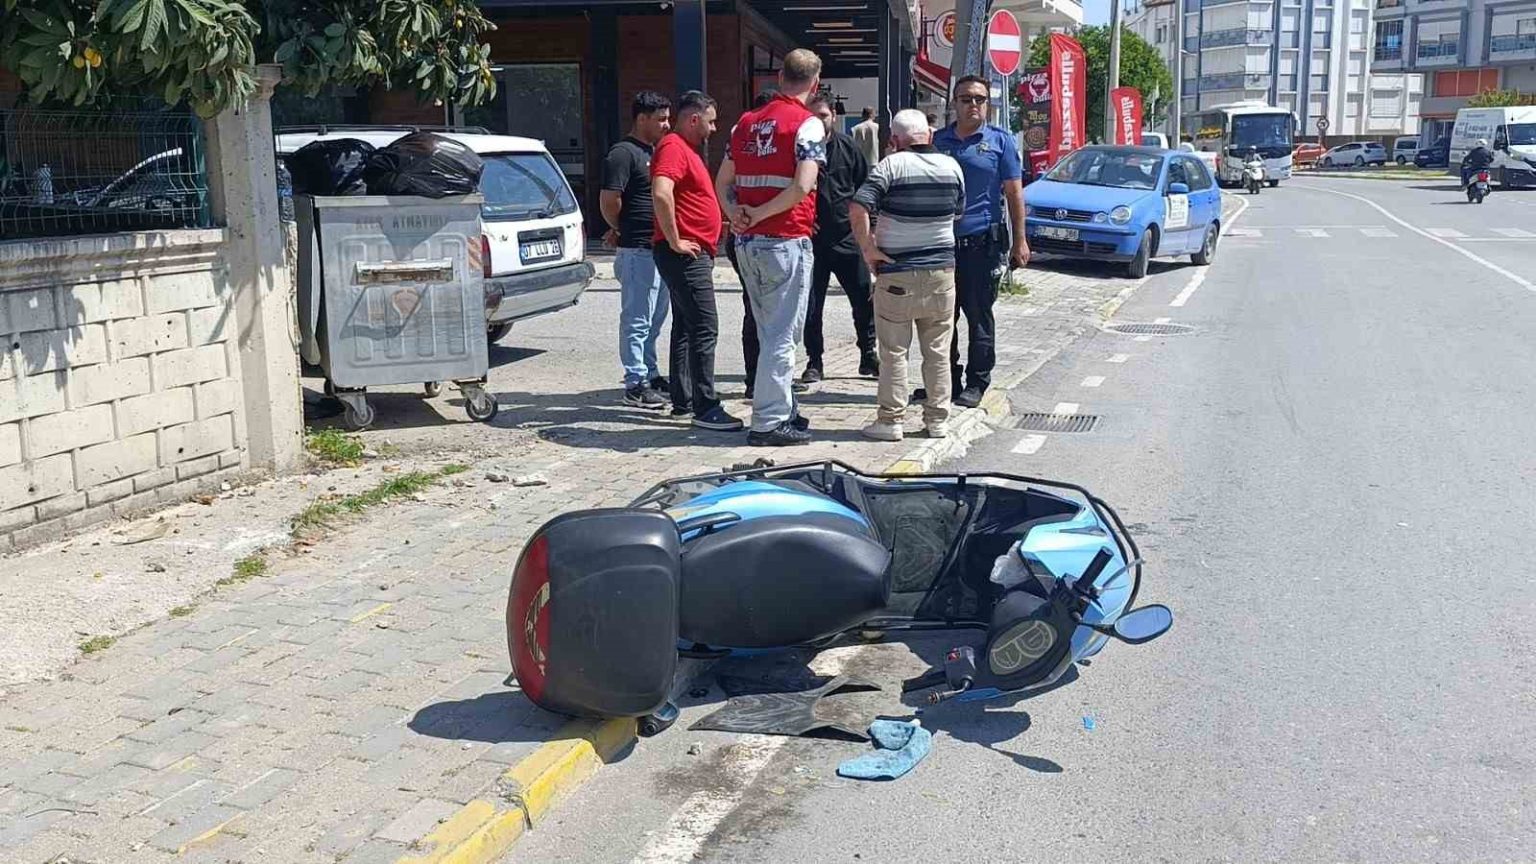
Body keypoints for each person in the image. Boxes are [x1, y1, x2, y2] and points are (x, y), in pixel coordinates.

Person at [717, 48, 826, 447]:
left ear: (780, 77)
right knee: (782, 336)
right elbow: (802, 186)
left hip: (746, 242)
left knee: (768, 332)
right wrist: (761, 215)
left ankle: (782, 407)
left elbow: (722, 182)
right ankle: (769, 422)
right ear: (815, 83)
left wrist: (736, 214)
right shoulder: (808, 125)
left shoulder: (744, 124)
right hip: (785, 240)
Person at [850, 109, 965, 442]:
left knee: (894, 352)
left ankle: (890, 421)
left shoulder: (891, 166)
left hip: (897, 273)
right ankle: (937, 420)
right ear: (929, 135)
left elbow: (858, 207)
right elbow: (958, 212)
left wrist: (869, 249)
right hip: (942, 273)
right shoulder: (952, 167)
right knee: (938, 352)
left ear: (894, 140)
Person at [934, 74, 1029, 409]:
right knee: (941, 319)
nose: (973, 105)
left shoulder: (1000, 142)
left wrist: (1020, 240)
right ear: (954, 104)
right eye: (965, 99)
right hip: (941, 244)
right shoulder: (937, 141)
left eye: (979, 99)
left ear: (988, 104)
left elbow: (1014, 194)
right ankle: (945, 380)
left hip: (980, 243)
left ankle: (977, 382)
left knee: (978, 316)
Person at [652, 90, 742, 432]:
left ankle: (685, 400)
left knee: (686, 326)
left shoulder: (684, 149)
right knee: (705, 326)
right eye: (711, 121)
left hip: (689, 251)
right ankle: (706, 407)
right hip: (684, 254)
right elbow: (661, 192)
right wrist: (675, 239)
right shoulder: (673, 147)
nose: (714, 128)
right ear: (694, 118)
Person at [601, 90, 672, 409]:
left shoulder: (655, 151)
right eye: (661, 119)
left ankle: (650, 373)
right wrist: (620, 228)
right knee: (637, 319)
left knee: (655, 318)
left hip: (658, 248)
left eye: (668, 118)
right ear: (642, 119)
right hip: (636, 250)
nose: (666, 124)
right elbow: (609, 200)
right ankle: (634, 383)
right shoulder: (623, 153)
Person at [801, 92, 877, 386]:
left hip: (847, 236)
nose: (818, 121)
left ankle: (868, 354)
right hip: (813, 240)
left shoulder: (848, 147)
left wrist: (867, 230)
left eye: (822, 115)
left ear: (834, 115)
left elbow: (865, 188)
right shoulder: (800, 148)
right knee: (811, 305)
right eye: (812, 116)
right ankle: (814, 361)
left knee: (863, 297)